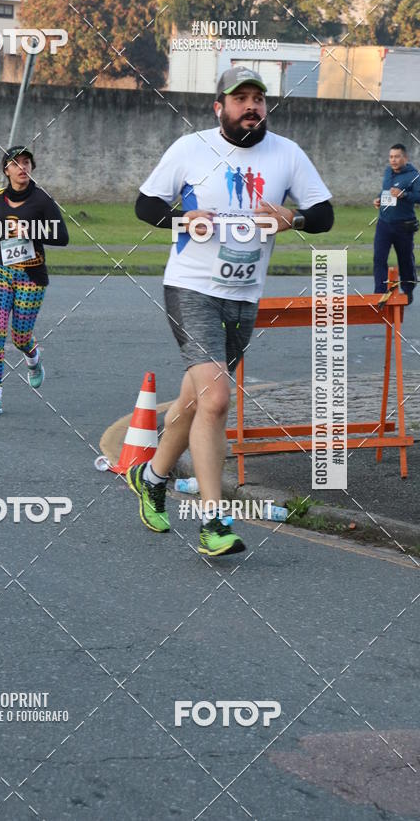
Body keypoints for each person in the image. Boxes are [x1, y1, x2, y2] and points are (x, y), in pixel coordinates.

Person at [128, 66, 334, 557]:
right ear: (218, 106)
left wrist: (294, 218)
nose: (251, 107)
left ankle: (152, 475)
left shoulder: (286, 153)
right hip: (191, 286)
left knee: (198, 401)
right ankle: (212, 520)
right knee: (218, 400)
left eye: (258, 100)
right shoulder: (189, 148)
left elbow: (324, 214)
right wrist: (182, 217)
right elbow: (143, 204)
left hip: (243, 296)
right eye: (240, 99)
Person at [0, 146, 69, 415]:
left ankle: (33, 357)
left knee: (19, 337)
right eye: (16, 163)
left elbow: (62, 237)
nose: (22, 168)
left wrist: (31, 230)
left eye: (26, 162)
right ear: (6, 170)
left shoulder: (42, 200)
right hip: (0, 270)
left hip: (32, 274)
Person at [373, 143, 419, 305]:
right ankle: (379, 293)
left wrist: (404, 194)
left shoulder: (414, 175)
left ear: (405, 158)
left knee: (405, 260)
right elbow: (386, 190)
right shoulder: (388, 172)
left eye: (397, 156)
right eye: (391, 157)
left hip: (403, 225)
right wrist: (379, 199)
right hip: (384, 223)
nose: (393, 160)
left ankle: (408, 289)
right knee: (379, 258)